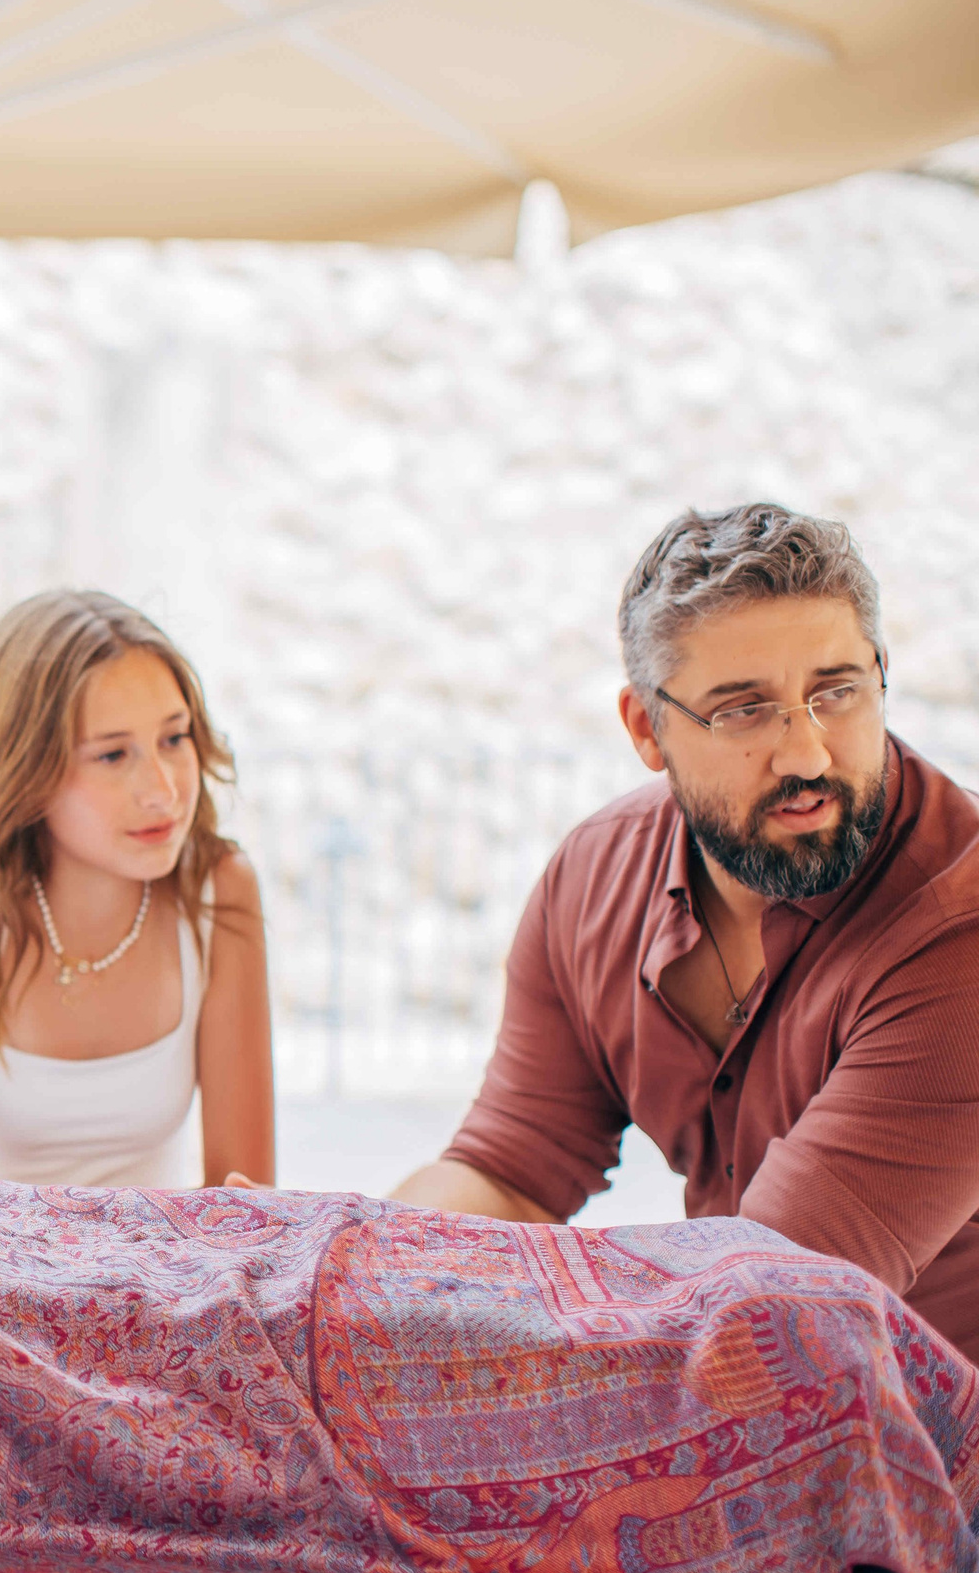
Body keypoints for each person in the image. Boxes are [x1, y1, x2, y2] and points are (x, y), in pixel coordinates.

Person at [0, 1128, 979, 1573]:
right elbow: (514, 1160)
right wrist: (356, 1240)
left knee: (169, 1349)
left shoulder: (846, 1403)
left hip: (571, 1377)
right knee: (188, 1275)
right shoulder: (825, 1322)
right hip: (426, 1278)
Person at [391, 503, 979, 1360]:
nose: (807, 755)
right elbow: (510, 1172)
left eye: (837, 692)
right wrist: (348, 1261)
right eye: (744, 710)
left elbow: (776, 1297)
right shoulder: (593, 877)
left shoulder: (959, 929)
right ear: (646, 728)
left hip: (937, 1449)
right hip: (735, 1401)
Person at [0, 590, 274, 1191]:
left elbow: (252, 1212)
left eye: (175, 739)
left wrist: (32, 1234)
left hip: (156, 1283)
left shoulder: (220, 889)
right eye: (113, 754)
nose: (163, 791)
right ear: (29, 768)